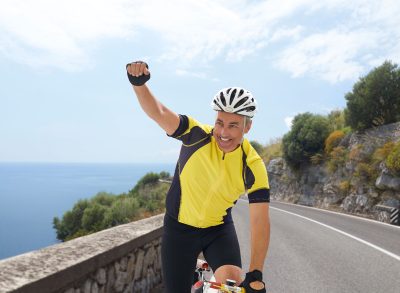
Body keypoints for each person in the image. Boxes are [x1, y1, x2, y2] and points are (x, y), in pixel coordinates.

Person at [126, 61, 270, 293]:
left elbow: (260, 221)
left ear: (247, 127)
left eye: (233, 126)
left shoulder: (252, 165)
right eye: (220, 123)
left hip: (218, 230)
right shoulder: (196, 136)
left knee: (232, 286)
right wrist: (139, 84)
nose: (223, 133)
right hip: (178, 229)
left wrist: (256, 272)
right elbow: (158, 112)